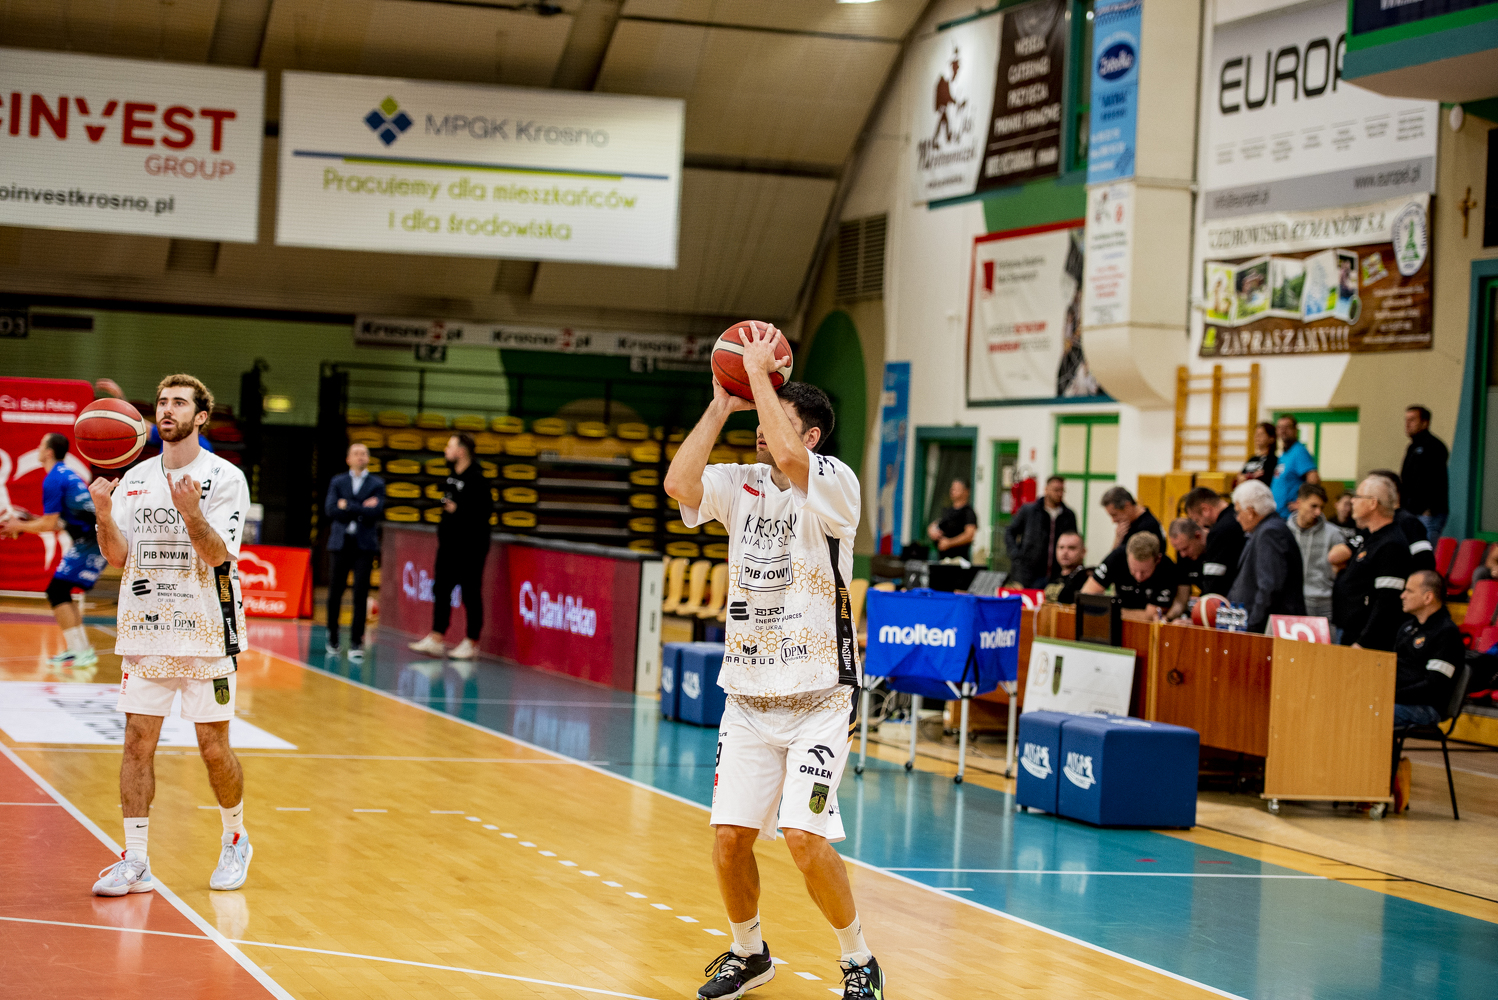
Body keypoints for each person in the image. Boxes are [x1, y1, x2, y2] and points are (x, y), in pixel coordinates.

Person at [663, 323, 883, 1000]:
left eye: (775, 416)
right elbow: (678, 483)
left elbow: (788, 455)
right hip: (750, 697)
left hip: (819, 697)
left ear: (810, 435)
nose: (761, 425)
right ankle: (749, 952)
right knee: (729, 839)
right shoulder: (743, 484)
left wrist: (758, 371)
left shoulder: (835, 482)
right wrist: (720, 405)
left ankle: (859, 960)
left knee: (803, 838)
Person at [87, 374, 253, 896]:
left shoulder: (225, 478)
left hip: (207, 632)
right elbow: (117, 556)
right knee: (137, 741)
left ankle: (235, 838)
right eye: (162, 402)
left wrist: (191, 512)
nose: (167, 409)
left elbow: (219, 555)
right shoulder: (135, 478)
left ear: (201, 416)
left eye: (179, 403)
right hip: (146, 630)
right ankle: (135, 859)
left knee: (213, 747)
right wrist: (103, 514)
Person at [0, 434, 107, 669]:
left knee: (57, 591)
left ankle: (81, 652)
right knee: (62, 592)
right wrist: (29, 522)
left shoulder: (53, 479)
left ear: (48, 452)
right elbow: (59, 523)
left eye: (41, 445)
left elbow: (49, 525)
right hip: (93, 537)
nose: (38, 448)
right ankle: (80, 650)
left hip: (93, 540)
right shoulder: (67, 475)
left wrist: (20, 526)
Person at [409, 433, 492, 661]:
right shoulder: (452, 476)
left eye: (450, 446)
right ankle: (437, 637)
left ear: (461, 451)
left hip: (470, 547)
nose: (446, 450)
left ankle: (471, 641)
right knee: (441, 589)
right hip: (449, 545)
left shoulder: (477, 479)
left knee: (470, 592)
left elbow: (484, 513)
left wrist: (459, 510)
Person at [1332, 476, 1411, 651]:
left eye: (1358, 496)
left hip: (1368, 643)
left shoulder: (1391, 544)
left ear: (1373, 503)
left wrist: (1364, 642)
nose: (1353, 501)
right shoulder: (1371, 537)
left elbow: (1387, 601)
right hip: (1350, 630)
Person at [324, 442, 385, 661]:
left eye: (364, 453)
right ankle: (332, 635)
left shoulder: (377, 483)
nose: (361, 456)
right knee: (335, 592)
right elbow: (331, 509)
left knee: (360, 594)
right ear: (348, 459)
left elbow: (376, 512)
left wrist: (348, 506)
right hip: (341, 543)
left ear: (368, 458)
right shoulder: (338, 481)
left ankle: (356, 641)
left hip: (364, 546)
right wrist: (361, 508)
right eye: (356, 453)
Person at [1227, 480, 1306, 633]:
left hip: (1269, 630)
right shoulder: (1267, 529)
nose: (1237, 518)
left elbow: (1269, 587)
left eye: (1238, 512)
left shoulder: (1269, 533)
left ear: (1251, 512)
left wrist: (1252, 626)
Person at [1392, 570, 1463, 728]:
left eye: (1409, 591)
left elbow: (1435, 686)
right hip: (1398, 700)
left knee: (1366, 711)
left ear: (1428, 597)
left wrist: (1391, 695)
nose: (1402, 596)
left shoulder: (1447, 633)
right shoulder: (1407, 628)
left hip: (1425, 707)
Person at [1080, 485, 1164, 598]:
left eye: (1114, 515)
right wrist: (1118, 539)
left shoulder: (1148, 526)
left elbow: (1120, 558)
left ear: (1127, 506)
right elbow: (1114, 557)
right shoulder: (1127, 526)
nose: (1113, 520)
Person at [96, 378, 216, 453]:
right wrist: (119, 396)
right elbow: (136, 425)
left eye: (179, 404)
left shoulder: (203, 447)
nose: (168, 410)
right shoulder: (169, 435)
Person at [1286, 483, 1348, 621]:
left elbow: (1342, 571)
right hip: (1291, 601)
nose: (1318, 512)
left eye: (1321, 507)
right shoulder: (1284, 531)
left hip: (1324, 603)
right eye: (1313, 506)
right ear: (1299, 503)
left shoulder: (1334, 533)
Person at [1003, 475, 1077, 588]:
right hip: (1029, 573)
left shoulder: (1068, 515)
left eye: (1062, 490)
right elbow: (1010, 531)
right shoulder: (1030, 511)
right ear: (1046, 489)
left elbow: (1074, 539)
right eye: (1056, 490)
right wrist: (1016, 555)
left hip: (1056, 573)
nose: (1059, 494)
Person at [1366, 470, 1437, 572]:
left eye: (1371, 487)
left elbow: (1425, 561)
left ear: (1391, 490)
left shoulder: (1408, 522)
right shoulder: (1370, 524)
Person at [1111, 532, 1190, 621]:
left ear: (1157, 560)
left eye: (1144, 571)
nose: (1138, 576)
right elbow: (1096, 595)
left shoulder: (1167, 569)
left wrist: (1113, 613)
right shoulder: (1117, 557)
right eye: (1134, 570)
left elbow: (1150, 616)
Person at [1182, 487, 1245, 596]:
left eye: (1197, 520)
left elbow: (1214, 583)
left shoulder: (1219, 532)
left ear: (1205, 509)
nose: (1200, 525)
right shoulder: (1238, 516)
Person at [1400, 406, 1449, 543]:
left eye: (1412, 420)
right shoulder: (1412, 447)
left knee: (1424, 549)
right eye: (1406, 420)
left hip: (1428, 514)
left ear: (1425, 422)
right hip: (1410, 511)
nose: (1407, 424)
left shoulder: (1434, 446)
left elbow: (1436, 480)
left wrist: (1429, 509)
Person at [1270, 415, 1319, 518]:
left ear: (1295, 430)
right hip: (1278, 514)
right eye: (1280, 427)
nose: (1283, 431)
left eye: (1287, 427)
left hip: (1290, 516)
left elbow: (1313, 479)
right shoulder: (1284, 454)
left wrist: (1303, 503)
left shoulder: (1299, 451)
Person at [926, 478, 978, 562]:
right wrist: (931, 529)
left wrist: (949, 542)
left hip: (958, 560)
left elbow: (969, 535)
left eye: (956, 489)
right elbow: (937, 523)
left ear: (966, 492)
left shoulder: (968, 512)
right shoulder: (948, 511)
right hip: (942, 558)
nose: (952, 491)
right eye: (952, 488)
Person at [1042, 531, 1090, 604]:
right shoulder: (1050, 576)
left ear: (1083, 552)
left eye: (1071, 548)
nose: (1065, 552)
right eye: (1061, 547)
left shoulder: (1087, 580)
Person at [1167, 517, 1207, 592]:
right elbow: (1183, 589)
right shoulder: (1183, 557)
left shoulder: (1218, 547)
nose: (1183, 555)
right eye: (1179, 550)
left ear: (1198, 536)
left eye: (1185, 549)